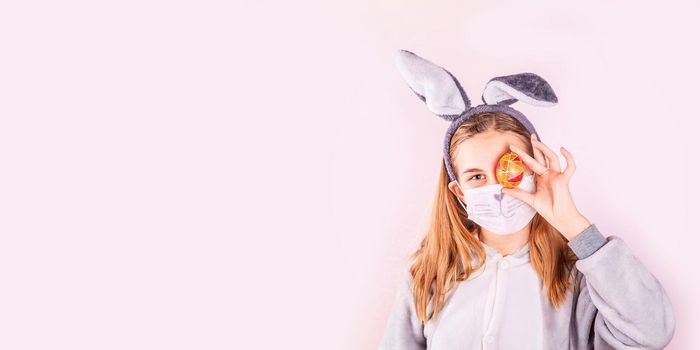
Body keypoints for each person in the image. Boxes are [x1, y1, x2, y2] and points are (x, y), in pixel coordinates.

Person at [378, 50, 676, 350]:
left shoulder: (577, 277)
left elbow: (651, 332)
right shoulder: (428, 275)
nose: (498, 188)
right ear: (459, 192)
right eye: (477, 177)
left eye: (510, 169)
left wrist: (572, 223)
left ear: (536, 169)